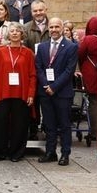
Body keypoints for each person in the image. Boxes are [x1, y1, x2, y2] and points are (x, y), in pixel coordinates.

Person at [35, 17, 79, 166]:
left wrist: (54, 87)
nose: (54, 30)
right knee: (49, 124)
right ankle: (50, 152)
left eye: (56, 27)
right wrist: (46, 85)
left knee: (64, 124)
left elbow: (69, 71)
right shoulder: (41, 47)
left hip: (62, 93)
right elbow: (39, 68)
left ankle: (65, 154)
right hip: (45, 92)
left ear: (62, 28)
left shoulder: (71, 47)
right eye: (51, 27)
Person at [0, 22, 37, 161]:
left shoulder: (28, 53)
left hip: (21, 92)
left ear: (22, 34)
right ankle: (0, 151)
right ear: (8, 34)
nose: (15, 33)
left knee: (20, 123)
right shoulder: (1, 51)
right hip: (2, 91)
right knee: (0, 122)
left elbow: (32, 75)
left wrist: (31, 93)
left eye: (18, 31)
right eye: (12, 31)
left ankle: (16, 153)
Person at [77, 16, 97, 146]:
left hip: (91, 73)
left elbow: (80, 54)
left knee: (93, 101)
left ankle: (93, 131)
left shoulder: (89, 39)